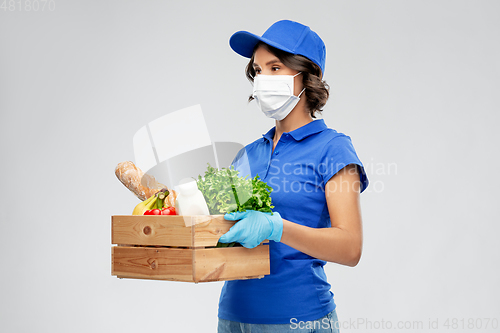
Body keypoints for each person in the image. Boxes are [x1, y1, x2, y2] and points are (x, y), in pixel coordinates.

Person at [217, 20, 369, 333]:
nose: (262, 79)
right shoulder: (247, 154)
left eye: (275, 68)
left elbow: (350, 247)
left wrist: (276, 227)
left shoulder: (333, 148)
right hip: (233, 319)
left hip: (298, 320)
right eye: (258, 70)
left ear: (306, 76)